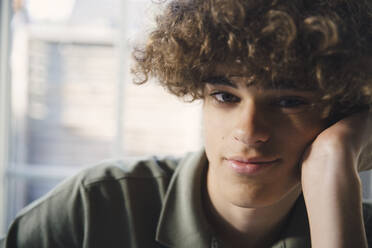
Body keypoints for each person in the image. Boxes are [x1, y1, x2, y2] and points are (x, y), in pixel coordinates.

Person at [1, 0, 372, 247]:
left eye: (289, 101)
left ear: (342, 108)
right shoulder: (94, 208)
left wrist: (332, 159)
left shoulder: (358, 229)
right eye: (225, 96)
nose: (248, 130)